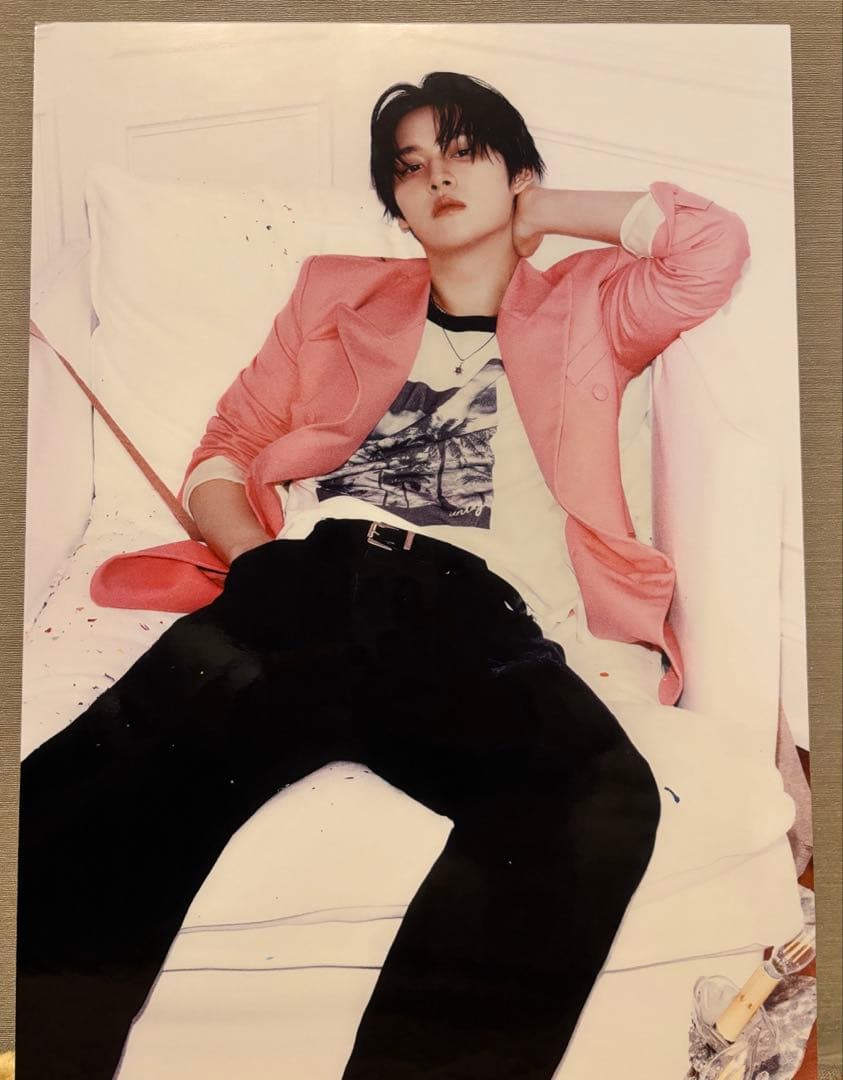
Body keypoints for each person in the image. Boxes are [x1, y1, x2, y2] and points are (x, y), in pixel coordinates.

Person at [16, 72, 750, 1080]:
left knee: (598, 797)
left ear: (518, 174)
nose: (435, 176)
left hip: (469, 612)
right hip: (313, 577)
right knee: (91, 791)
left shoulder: (590, 303)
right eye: (410, 168)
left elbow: (710, 248)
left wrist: (543, 215)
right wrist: (258, 564)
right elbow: (225, 449)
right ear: (396, 207)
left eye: (463, 152)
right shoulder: (337, 293)